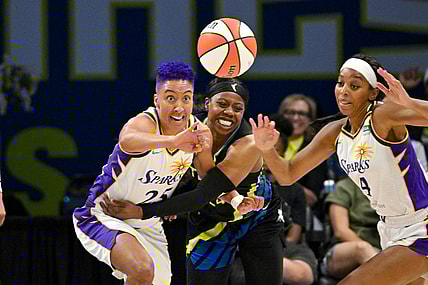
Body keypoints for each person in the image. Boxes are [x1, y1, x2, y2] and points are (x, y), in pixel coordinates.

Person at [250, 53, 428, 285]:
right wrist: (267, 149)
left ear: (373, 93)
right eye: (340, 82)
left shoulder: (382, 115)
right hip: (389, 228)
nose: (343, 90)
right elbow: (287, 174)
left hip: (420, 226)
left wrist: (409, 102)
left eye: (354, 85)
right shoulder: (334, 133)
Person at [101, 77, 286, 285]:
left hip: (256, 218)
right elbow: (182, 172)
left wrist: (142, 211)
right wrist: (174, 194)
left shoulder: (248, 144)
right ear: (207, 104)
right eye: (222, 104)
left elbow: (204, 192)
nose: (229, 112)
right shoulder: (187, 126)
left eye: (238, 108)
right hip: (210, 217)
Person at [72, 61, 213, 285]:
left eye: (186, 98)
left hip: (147, 220)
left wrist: (236, 198)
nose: (179, 107)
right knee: (141, 269)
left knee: (150, 277)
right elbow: (127, 141)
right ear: (157, 100)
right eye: (170, 98)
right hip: (102, 214)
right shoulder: (145, 123)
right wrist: (174, 141)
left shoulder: (200, 132)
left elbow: (210, 180)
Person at [319, 177, 380, 280]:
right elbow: (341, 231)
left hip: (383, 248)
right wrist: (379, 255)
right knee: (362, 249)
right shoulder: (343, 187)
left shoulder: (390, 190)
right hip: (344, 250)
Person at [278, 94, 329, 207]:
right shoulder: (267, 144)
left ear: (311, 119)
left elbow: (312, 198)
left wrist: (278, 175)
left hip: (299, 213)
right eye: (290, 112)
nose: (295, 118)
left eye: (302, 114)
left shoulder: (316, 148)